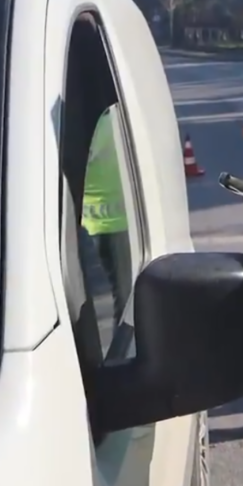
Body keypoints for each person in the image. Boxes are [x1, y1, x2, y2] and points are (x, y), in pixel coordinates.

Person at [82, 108, 131, 324]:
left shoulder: (104, 119)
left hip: (98, 221)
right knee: (125, 301)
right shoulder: (105, 121)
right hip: (107, 224)